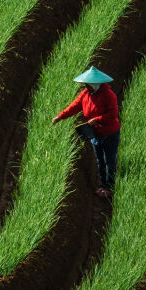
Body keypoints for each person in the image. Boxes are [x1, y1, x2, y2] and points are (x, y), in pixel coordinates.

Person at [52, 65, 120, 196]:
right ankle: (103, 184)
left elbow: (113, 114)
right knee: (100, 160)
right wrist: (60, 117)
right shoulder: (85, 94)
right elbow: (74, 107)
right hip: (95, 133)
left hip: (109, 133)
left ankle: (110, 188)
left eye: (87, 85)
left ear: (95, 84)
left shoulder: (108, 95)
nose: (85, 87)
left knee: (109, 160)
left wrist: (98, 119)